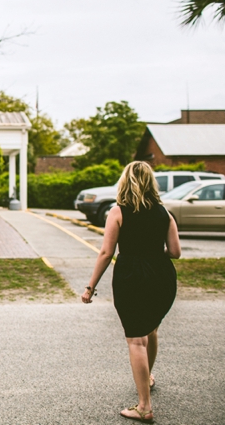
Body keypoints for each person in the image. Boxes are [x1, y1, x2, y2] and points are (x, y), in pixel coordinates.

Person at [82, 161, 181, 424]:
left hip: (131, 277)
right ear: (151, 182)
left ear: (124, 181)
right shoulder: (164, 213)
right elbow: (175, 252)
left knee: (136, 340)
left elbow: (106, 252)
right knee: (151, 329)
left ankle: (144, 407)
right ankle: (147, 377)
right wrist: (151, 253)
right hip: (162, 277)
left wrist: (90, 287)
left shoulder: (118, 212)